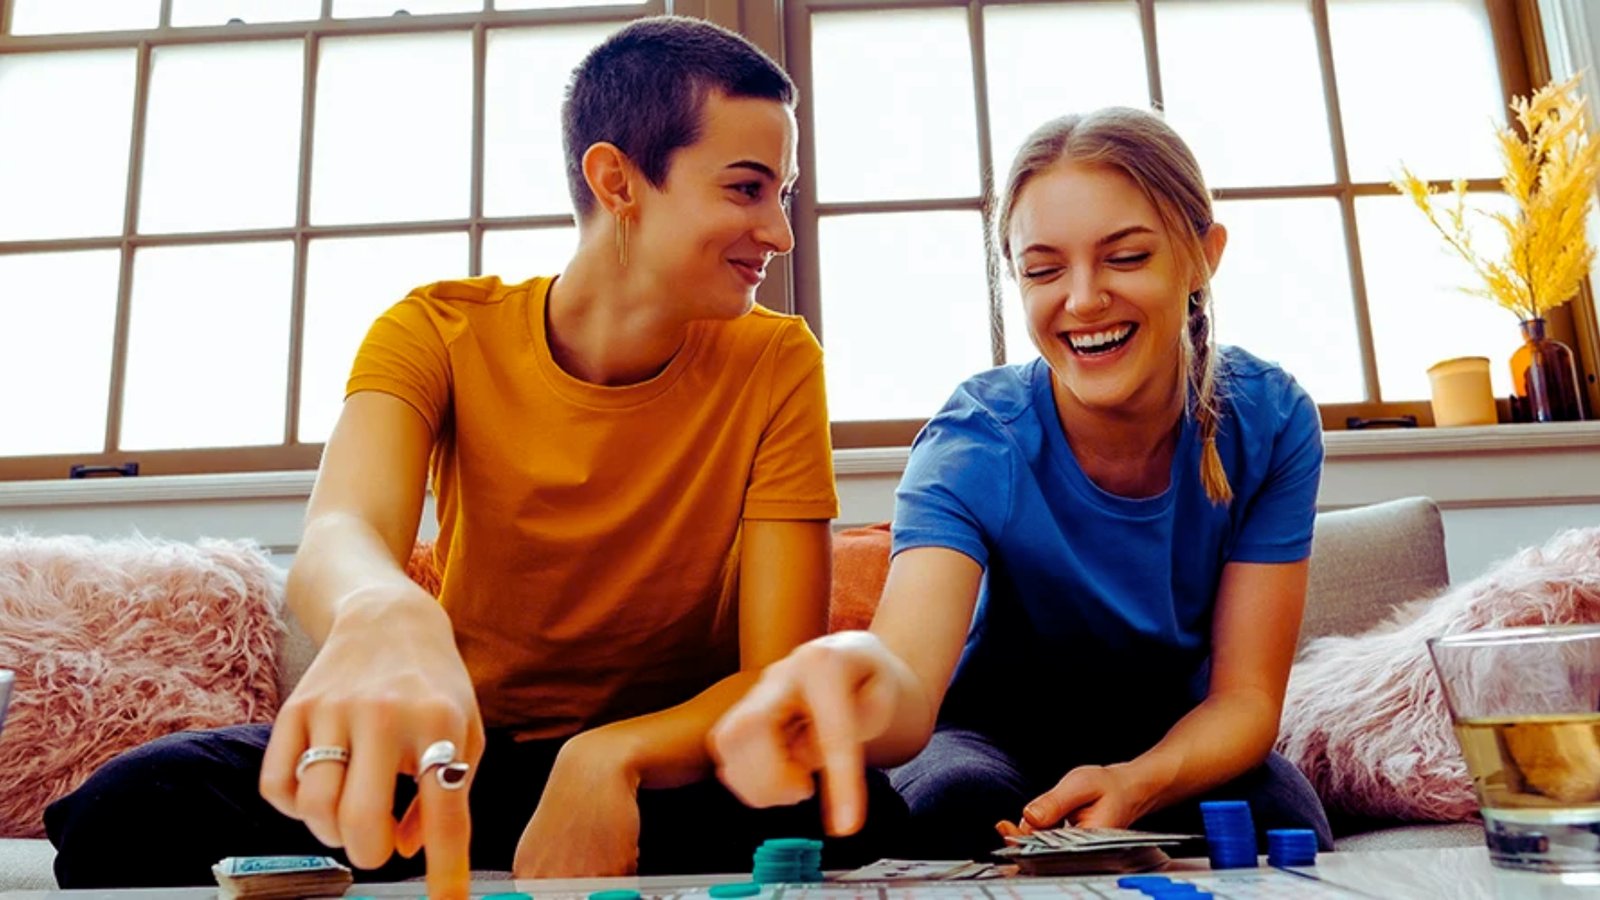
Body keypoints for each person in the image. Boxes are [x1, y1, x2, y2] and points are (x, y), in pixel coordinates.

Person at [44, 16, 904, 900]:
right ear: (618, 180)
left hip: (669, 769)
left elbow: (772, 676)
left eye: (783, 195)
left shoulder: (779, 361)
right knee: (133, 806)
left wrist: (609, 758)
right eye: (746, 189)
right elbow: (341, 527)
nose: (779, 232)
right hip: (459, 761)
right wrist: (380, 605)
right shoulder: (436, 329)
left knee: (863, 813)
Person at [709, 107, 1334, 861]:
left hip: (1172, 738)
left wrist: (1140, 782)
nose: (1081, 299)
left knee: (1280, 814)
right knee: (955, 808)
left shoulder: (1272, 419)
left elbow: (1245, 699)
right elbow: (908, 678)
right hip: (988, 738)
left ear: (1203, 257)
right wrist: (855, 669)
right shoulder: (978, 436)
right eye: (1042, 271)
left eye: (1126, 257)